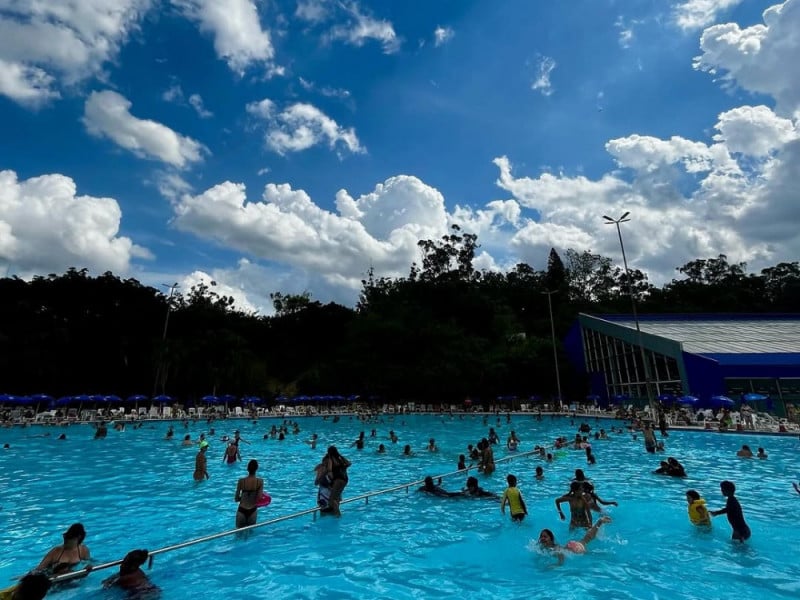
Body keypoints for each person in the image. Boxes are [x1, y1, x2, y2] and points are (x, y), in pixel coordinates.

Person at [538, 515, 612, 565]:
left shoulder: (553, 548)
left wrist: (558, 564)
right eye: (541, 536)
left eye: (545, 536)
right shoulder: (545, 547)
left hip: (574, 549)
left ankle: (605, 555)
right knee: (586, 539)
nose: (543, 538)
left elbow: (561, 554)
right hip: (571, 546)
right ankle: (599, 522)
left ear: (551, 539)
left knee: (590, 551)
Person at [234, 459, 264, 528]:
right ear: (256, 468)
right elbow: (259, 498)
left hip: (241, 510)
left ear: (247, 468)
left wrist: (243, 498)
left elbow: (236, 499)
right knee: (250, 534)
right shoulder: (260, 482)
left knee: (238, 534)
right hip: (252, 510)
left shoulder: (241, 481)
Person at [323, 446, 351, 517]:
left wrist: (330, 480)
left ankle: (337, 515)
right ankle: (335, 512)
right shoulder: (340, 458)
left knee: (333, 498)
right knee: (337, 496)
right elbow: (349, 463)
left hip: (338, 479)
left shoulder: (330, 459)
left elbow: (329, 471)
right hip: (345, 479)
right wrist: (343, 467)